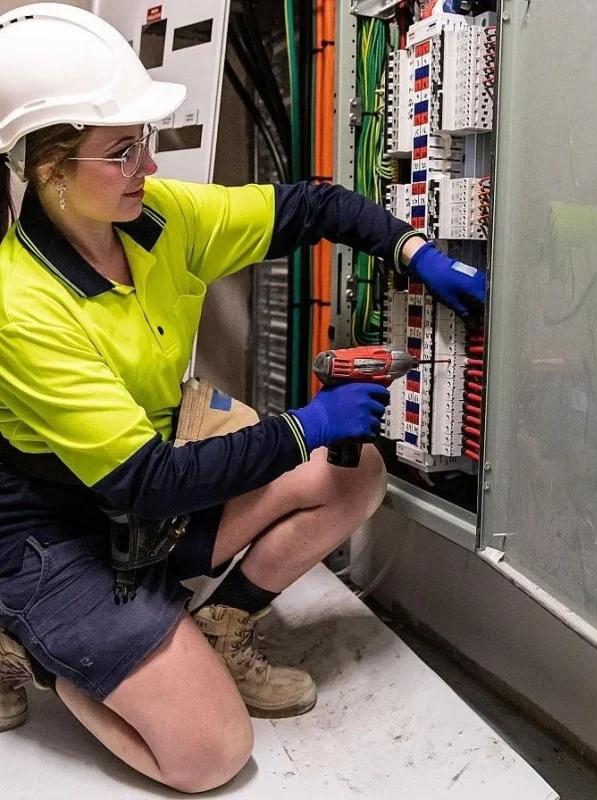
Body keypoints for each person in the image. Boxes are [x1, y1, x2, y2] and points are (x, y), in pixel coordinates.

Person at [0, 3, 486, 793]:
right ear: (51, 168)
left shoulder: (156, 218)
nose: (147, 165)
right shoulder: (20, 306)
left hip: (140, 497)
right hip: (57, 533)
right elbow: (147, 481)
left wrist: (414, 250)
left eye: (144, 140)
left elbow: (314, 206)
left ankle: (219, 629)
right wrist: (304, 426)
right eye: (121, 152)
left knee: (352, 473)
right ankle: (32, 646)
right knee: (211, 754)